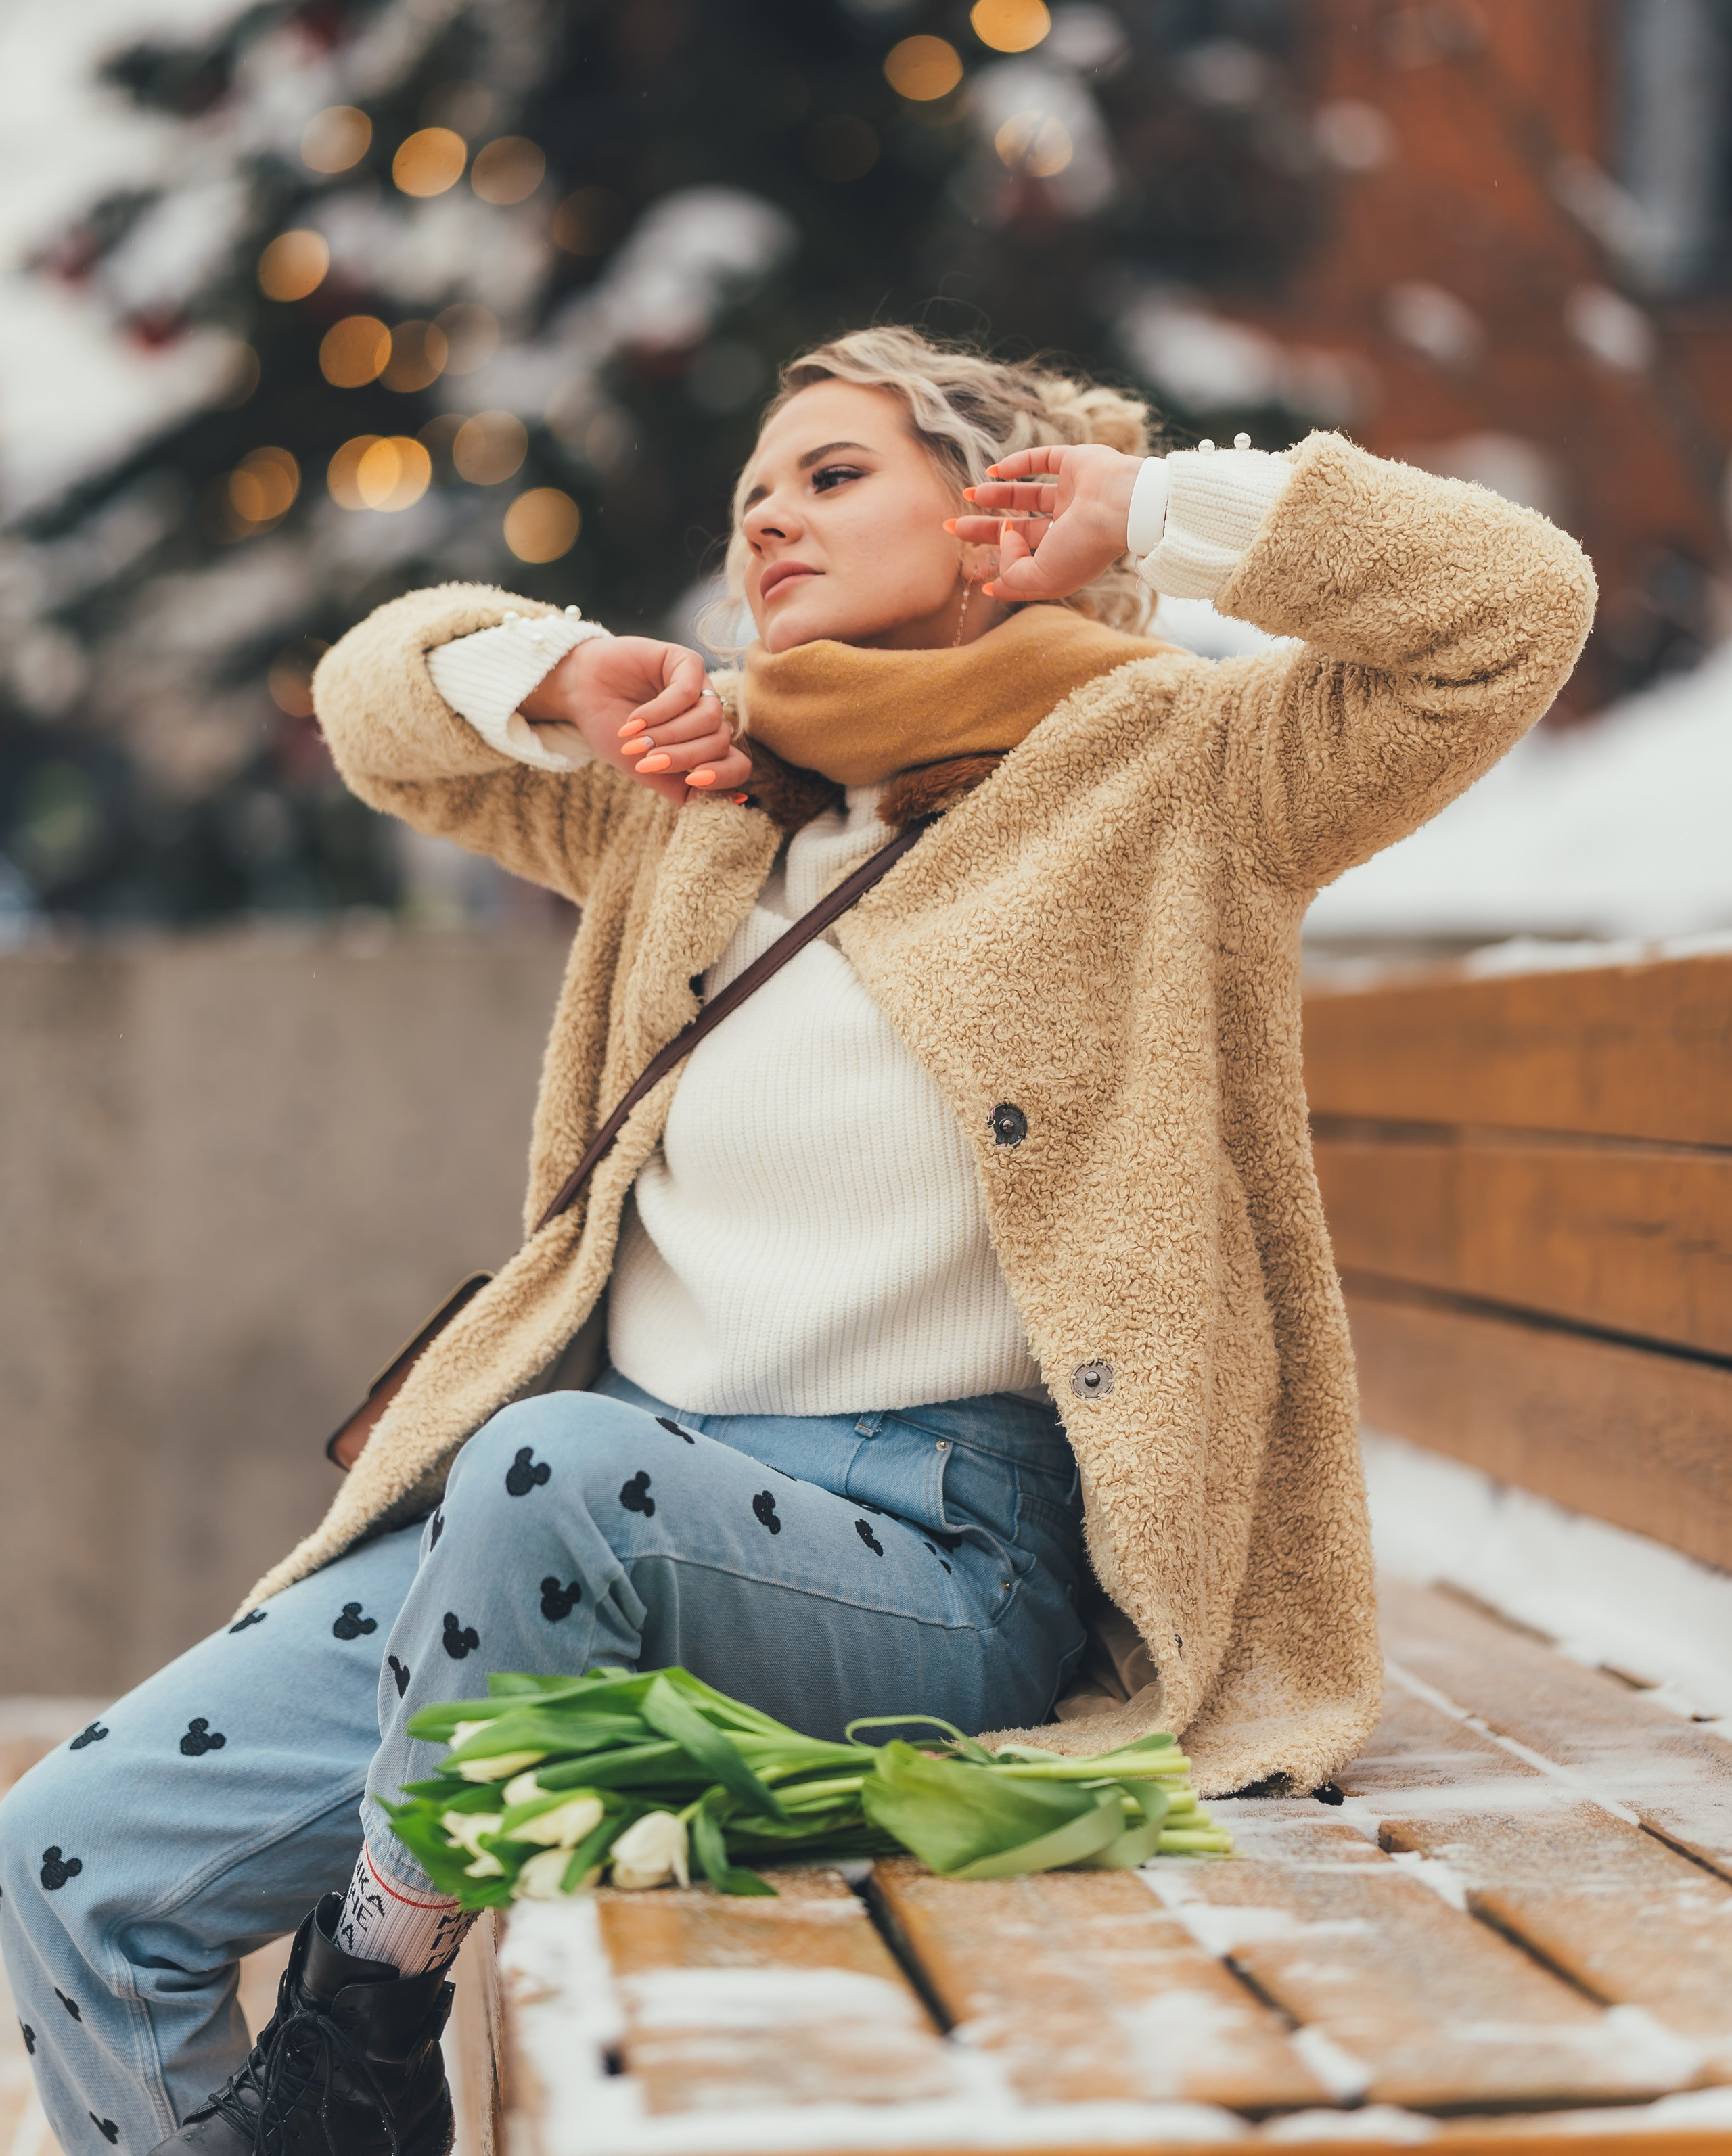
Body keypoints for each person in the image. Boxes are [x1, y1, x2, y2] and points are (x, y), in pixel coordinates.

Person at [0, 328, 1595, 2156]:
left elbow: (1511, 609)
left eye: (834, 477)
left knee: (547, 1470)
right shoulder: (694, 795)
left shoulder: (1189, 772)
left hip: (932, 1562)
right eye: (751, 495)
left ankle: (373, 1995)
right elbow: (379, 712)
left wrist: (1156, 508)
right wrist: (567, 674)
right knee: (68, 1857)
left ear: (996, 506)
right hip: (569, 1530)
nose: (769, 522)